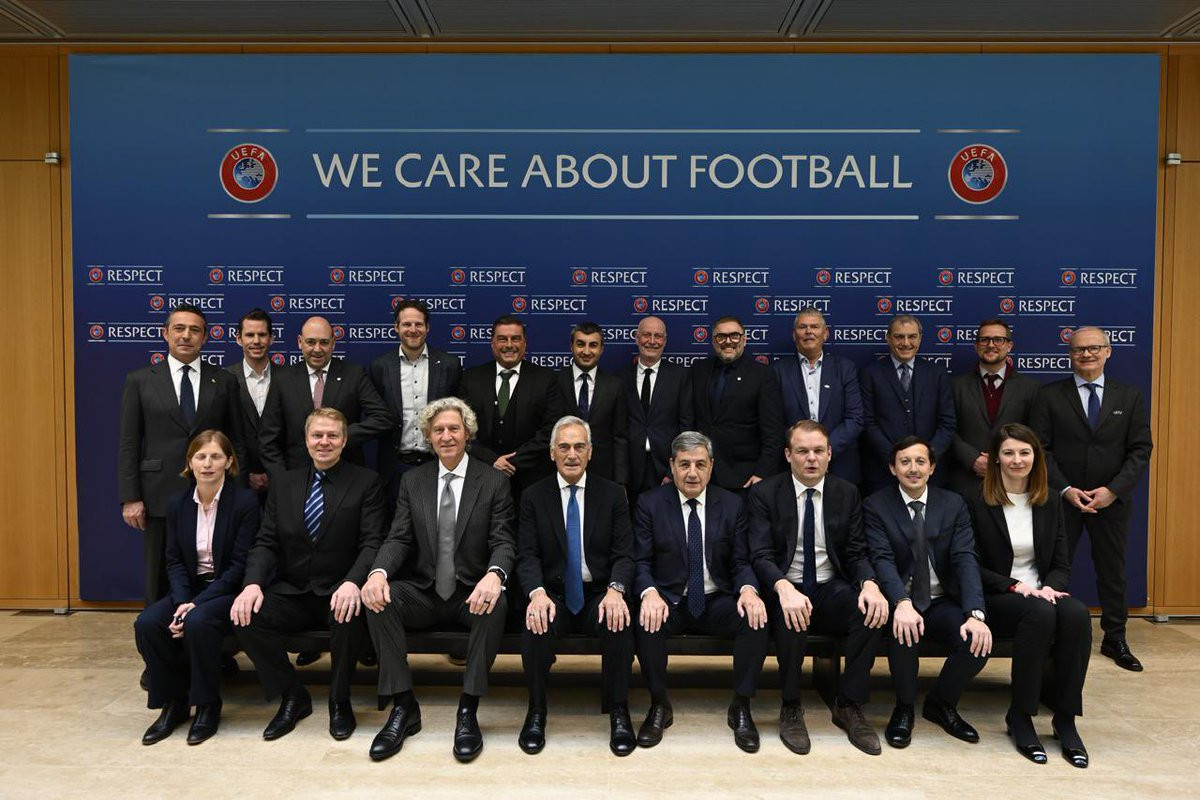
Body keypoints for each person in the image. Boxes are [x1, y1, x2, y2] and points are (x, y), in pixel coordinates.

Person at [360, 397, 516, 763]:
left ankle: (468, 709)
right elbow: (399, 538)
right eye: (438, 430)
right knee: (379, 599)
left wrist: (494, 575)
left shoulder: (493, 481)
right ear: (428, 437)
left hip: (470, 593)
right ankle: (403, 706)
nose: (446, 436)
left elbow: (504, 541)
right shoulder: (413, 481)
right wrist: (378, 573)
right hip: (425, 592)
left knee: (497, 602)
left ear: (467, 434)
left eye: (454, 429)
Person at [231, 408, 386, 741]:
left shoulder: (366, 482)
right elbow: (266, 541)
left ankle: (339, 700)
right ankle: (291, 695)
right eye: (317, 435)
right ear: (306, 440)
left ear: (344, 440)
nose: (324, 442)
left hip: (341, 589)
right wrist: (252, 584)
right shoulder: (285, 483)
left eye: (332, 435)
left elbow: (372, 542)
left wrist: (353, 582)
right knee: (246, 616)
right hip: (294, 590)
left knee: (350, 616)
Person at [746, 420, 887, 756]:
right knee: (791, 615)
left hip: (828, 585)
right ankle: (791, 706)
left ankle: (848, 704)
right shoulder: (765, 493)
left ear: (830, 454)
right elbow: (760, 554)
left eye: (818, 451)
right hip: (786, 586)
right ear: (788, 455)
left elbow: (856, 552)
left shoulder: (847, 493)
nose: (811, 458)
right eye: (802, 451)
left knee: (871, 611)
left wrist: (869, 583)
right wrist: (783, 587)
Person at [633, 431, 769, 752]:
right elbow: (640, 561)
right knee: (645, 620)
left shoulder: (732, 505)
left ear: (711, 466)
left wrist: (749, 590)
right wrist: (649, 592)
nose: (692, 473)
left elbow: (740, 561)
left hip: (716, 597)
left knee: (755, 618)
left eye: (700, 464)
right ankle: (659, 704)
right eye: (684, 464)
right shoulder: (650, 504)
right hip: (670, 598)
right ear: (672, 465)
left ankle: (741, 705)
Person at [968, 423, 1092, 768]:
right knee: (1040, 613)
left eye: (1025, 452)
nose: (1017, 460)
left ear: (1036, 457)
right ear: (995, 458)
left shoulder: (1049, 500)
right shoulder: (976, 501)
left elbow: (1061, 563)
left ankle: (1065, 719)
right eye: (1008, 453)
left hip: (1042, 594)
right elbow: (968, 565)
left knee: (1077, 614)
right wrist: (1013, 585)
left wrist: (1049, 586)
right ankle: (1020, 715)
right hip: (998, 596)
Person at [1030, 326, 1152, 672]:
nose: (1086, 354)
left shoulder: (1129, 397)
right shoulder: (1049, 396)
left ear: (1108, 352)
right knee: (1054, 568)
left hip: (1110, 501)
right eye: (1079, 349)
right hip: (1061, 500)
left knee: (1113, 571)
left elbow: (1140, 449)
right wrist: (1066, 489)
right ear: (1070, 354)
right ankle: (1050, 635)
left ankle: (1115, 638)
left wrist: (1113, 490)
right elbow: (1040, 448)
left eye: (1094, 348)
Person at [517, 416, 636, 756]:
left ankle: (619, 710)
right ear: (552, 452)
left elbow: (624, 554)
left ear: (590, 452)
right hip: (552, 594)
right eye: (564, 447)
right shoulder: (533, 496)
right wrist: (536, 593)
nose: (572, 454)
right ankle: (536, 710)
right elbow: (527, 555)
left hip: (598, 592)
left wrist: (616, 590)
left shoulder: (612, 494)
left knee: (618, 620)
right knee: (535, 622)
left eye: (579, 447)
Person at [863, 437, 992, 748]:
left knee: (976, 641)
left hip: (941, 599)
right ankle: (904, 708)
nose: (913, 468)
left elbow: (965, 558)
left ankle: (941, 703)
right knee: (904, 630)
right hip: (900, 599)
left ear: (932, 467)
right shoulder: (876, 505)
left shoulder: (953, 504)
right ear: (892, 468)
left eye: (920, 461)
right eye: (905, 462)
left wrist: (975, 613)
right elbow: (881, 559)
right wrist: (901, 602)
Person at [134, 430, 259, 745]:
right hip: (188, 590)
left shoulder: (244, 502)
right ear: (190, 462)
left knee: (199, 622)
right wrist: (181, 602)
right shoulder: (177, 504)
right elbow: (174, 560)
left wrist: (196, 605)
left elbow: (240, 565)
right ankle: (173, 703)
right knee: (148, 623)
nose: (208, 464)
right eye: (201, 457)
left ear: (228, 462)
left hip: (227, 589)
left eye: (216, 456)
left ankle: (207, 704)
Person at [119, 304, 245, 606]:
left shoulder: (224, 380)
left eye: (194, 330)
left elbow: (236, 440)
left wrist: (238, 493)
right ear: (165, 334)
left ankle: (206, 630)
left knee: (213, 570)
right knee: (159, 575)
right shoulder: (140, 380)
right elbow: (129, 442)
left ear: (205, 337)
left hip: (214, 492)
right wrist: (130, 497)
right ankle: (158, 632)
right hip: (159, 493)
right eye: (179, 328)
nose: (186, 335)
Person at [258, 315, 392, 479]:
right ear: (300, 342)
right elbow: (268, 439)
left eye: (324, 342)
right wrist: (282, 479)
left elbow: (382, 418)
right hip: (296, 477)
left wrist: (341, 435)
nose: (317, 349)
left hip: (346, 477)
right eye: (311, 342)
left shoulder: (354, 375)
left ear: (333, 343)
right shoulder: (283, 379)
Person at [458, 315, 564, 501]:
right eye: (502, 339)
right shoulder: (471, 378)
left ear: (524, 343)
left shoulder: (546, 379)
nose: (509, 345)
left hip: (531, 480)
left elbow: (551, 430)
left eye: (515, 339)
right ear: (492, 343)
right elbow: (461, 428)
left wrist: (512, 462)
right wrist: (491, 460)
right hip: (481, 477)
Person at [369, 299, 462, 509]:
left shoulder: (449, 365)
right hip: (395, 466)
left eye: (418, 324)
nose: (413, 330)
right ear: (396, 327)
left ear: (427, 327)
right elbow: (376, 415)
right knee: (397, 523)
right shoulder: (380, 367)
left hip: (439, 463)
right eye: (406, 324)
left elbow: (458, 413)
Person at [859, 315, 956, 495]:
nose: (906, 343)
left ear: (920, 338)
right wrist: (896, 459)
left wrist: (926, 458)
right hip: (883, 472)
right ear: (888, 338)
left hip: (931, 475)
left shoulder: (937, 374)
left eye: (912, 337)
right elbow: (867, 423)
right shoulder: (870, 373)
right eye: (899, 337)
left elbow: (947, 423)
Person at [690, 316, 784, 491]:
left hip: (744, 475)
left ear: (744, 340)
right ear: (713, 341)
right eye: (721, 337)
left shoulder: (762, 375)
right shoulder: (699, 370)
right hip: (702, 472)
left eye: (734, 336)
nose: (728, 342)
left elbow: (773, 431)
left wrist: (763, 472)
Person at [949, 319, 1040, 497]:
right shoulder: (954, 386)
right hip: (965, 482)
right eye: (984, 340)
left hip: (1014, 482)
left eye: (998, 340)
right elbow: (947, 429)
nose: (991, 345)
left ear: (1009, 346)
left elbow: (1035, 435)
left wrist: (1006, 460)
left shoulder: (1031, 388)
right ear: (976, 346)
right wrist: (972, 459)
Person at [772, 308, 864, 483]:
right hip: (794, 467)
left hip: (840, 465)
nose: (809, 331)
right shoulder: (778, 371)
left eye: (814, 326)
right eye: (802, 327)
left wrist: (824, 452)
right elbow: (775, 422)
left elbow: (855, 418)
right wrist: (802, 451)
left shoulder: (845, 368)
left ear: (825, 333)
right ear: (794, 335)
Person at [621, 315, 693, 499]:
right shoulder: (620, 377)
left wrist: (674, 471)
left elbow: (686, 427)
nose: (652, 341)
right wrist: (620, 477)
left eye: (658, 336)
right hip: (630, 472)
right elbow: (617, 432)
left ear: (665, 341)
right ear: (637, 338)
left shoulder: (680, 377)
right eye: (646, 335)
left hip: (666, 470)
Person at [555, 322, 629, 485]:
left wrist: (621, 482)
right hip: (563, 473)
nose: (587, 351)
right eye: (581, 344)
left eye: (593, 345)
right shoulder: (555, 382)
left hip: (603, 475)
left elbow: (620, 438)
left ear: (601, 349)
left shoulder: (615, 386)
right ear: (571, 346)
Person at [228, 308, 275, 504]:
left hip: (281, 483)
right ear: (239, 339)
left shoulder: (289, 378)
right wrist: (243, 474)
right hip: (237, 483)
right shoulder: (224, 380)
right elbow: (222, 434)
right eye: (249, 335)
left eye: (262, 335)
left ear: (271, 338)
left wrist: (274, 475)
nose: (256, 341)